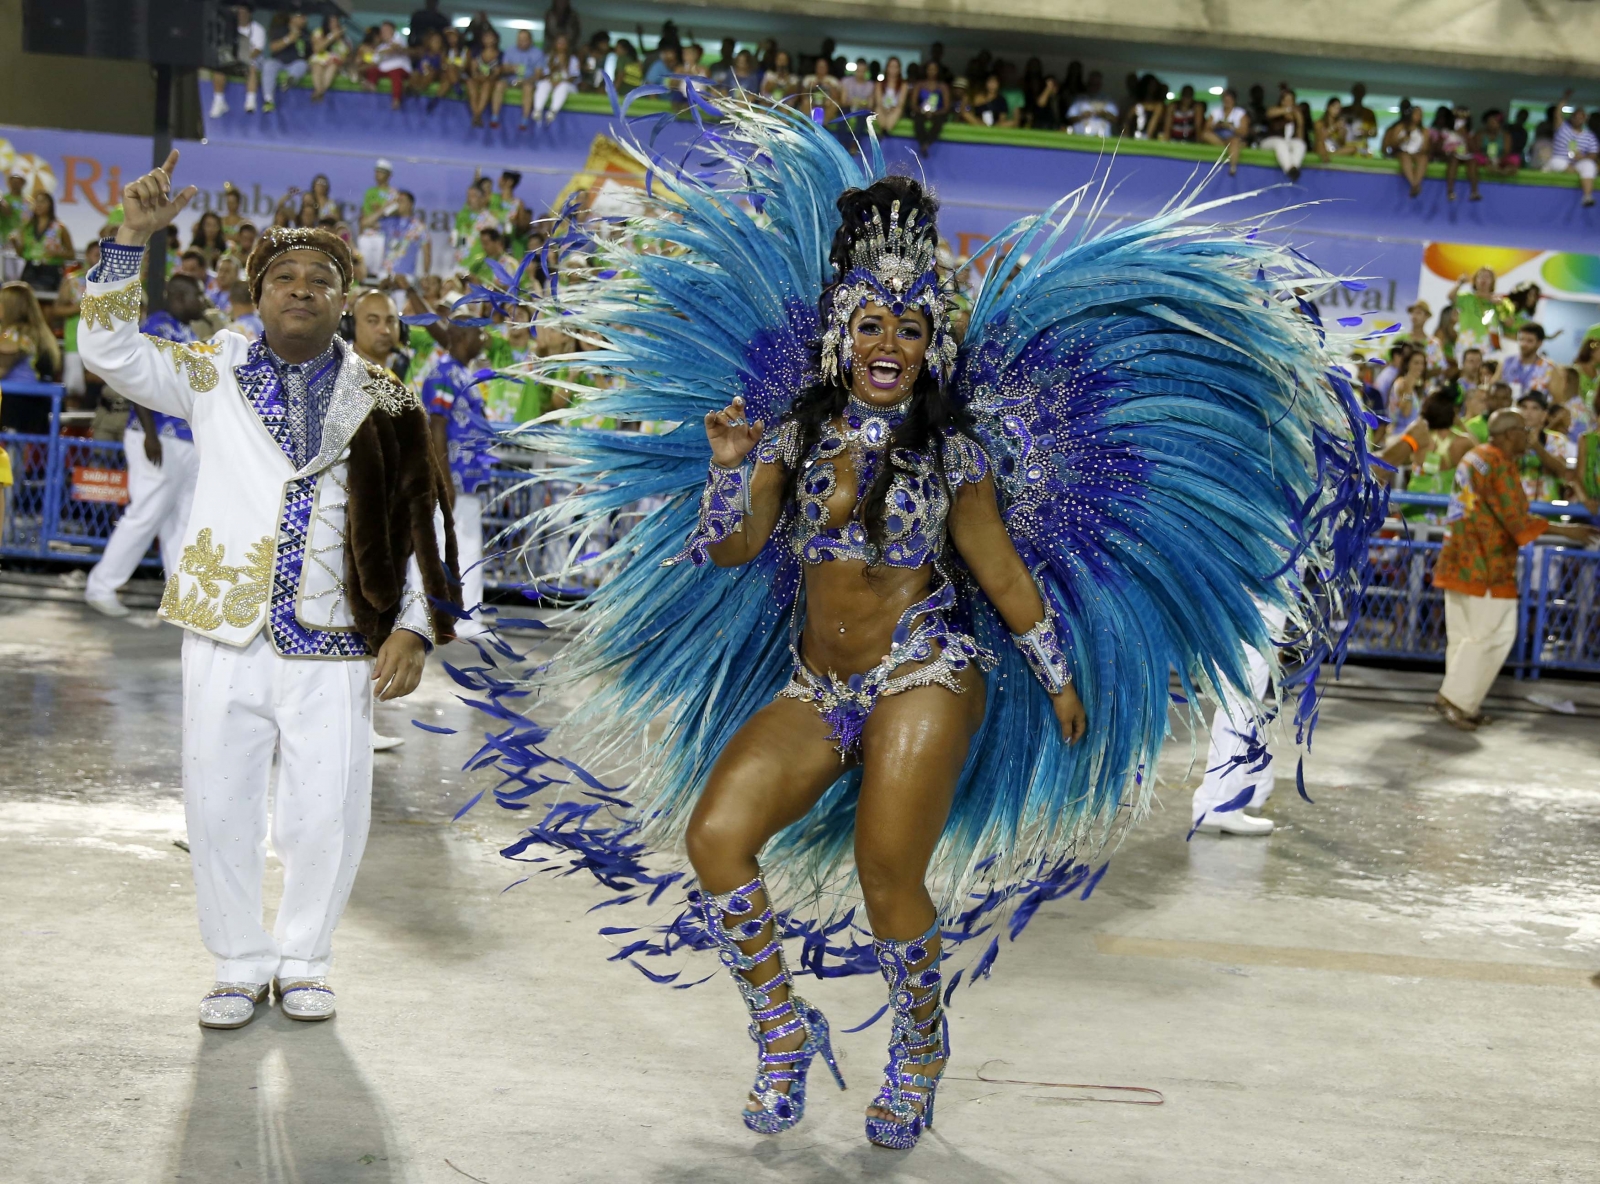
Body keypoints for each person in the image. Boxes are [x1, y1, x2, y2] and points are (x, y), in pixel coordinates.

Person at [476, 101, 1378, 1151]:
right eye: (872, 324)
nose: (890, 344)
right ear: (839, 335)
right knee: (716, 840)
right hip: (817, 685)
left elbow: (1000, 574)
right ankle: (782, 1028)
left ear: (932, 341)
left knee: (884, 871)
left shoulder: (958, 456)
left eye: (910, 326)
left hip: (927, 671)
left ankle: (918, 1044)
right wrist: (727, 472)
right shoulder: (783, 439)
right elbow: (727, 547)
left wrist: (1056, 676)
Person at [78, 151, 461, 1029]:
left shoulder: (388, 399)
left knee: (326, 810)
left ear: (341, 300)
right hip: (222, 626)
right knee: (218, 802)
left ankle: (305, 958)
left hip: (335, 636)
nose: (300, 289)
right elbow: (107, 348)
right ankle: (239, 961)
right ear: (256, 296)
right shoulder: (209, 372)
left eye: (319, 279)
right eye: (282, 277)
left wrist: (414, 625)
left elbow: (417, 521)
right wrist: (131, 237)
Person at [1432, 410, 1595, 729]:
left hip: (1457, 557)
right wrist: (1566, 530)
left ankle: (1464, 704)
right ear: (1509, 434)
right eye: (1523, 430)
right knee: (1495, 634)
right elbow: (1517, 520)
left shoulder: (1474, 455)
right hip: (1485, 565)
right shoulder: (1499, 464)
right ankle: (1453, 700)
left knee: (1465, 637)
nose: (1528, 435)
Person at [83, 273, 205, 617]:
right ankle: (101, 586)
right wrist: (150, 432)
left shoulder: (189, 333)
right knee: (146, 514)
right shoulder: (156, 326)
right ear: (179, 296)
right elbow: (136, 380)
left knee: (181, 520)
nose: (202, 302)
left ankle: (181, 600)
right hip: (156, 436)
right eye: (197, 294)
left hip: (184, 439)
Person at [421, 319, 496, 639]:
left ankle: (464, 615)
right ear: (463, 336)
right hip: (454, 476)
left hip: (469, 478)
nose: (484, 338)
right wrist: (445, 480)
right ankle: (455, 617)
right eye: (479, 333)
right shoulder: (444, 373)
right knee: (455, 545)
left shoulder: (465, 373)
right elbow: (436, 424)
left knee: (466, 546)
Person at [9, 191, 74, 292]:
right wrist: (14, 243)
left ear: (50, 205)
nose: (39, 205)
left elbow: (71, 254)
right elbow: (21, 254)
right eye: (36, 202)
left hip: (50, 270)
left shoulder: (59, 227)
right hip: (30, 269)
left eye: (43, 202)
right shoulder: (27, 227)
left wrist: (57, 253)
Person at [209, 5, 266, 118]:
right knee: (219, 68)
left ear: (249, 14)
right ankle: (219, 101)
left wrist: (243, 58)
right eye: (238, 12)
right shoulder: (228, 28)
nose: (240, 14)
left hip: (253, 59)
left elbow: (257, 50)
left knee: (251, 67)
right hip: (233, 60)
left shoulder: (258, 29)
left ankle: (250, 101)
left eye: (242, 12)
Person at [0, 280, 61, 382]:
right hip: (33, 395)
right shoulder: (37, 334)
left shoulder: (15, 336)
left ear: (10, 307)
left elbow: (1, 369)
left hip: (16, 394)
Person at [364, 189, 430, 280]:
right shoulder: (389, 222)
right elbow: (365, 224)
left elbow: (427, 252)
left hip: (406, 276)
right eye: (397, 201)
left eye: (401, 201)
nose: (398, 204)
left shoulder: (419, 226)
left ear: (410, 204)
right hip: (385, 274)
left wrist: (425, 275)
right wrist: (384, 208)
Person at [1544, 102, 1598, 207]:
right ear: (1572, 118)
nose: (1578, 119)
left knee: (1589, 165)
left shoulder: (1590, 136)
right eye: (1576, 117)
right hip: (1561, 162)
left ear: (1585, 119)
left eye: (1581, 117)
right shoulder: (1562, 129)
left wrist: (1583, 157)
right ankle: (1573, 174)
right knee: (1556, 161)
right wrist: (1565, 98)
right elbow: (1557, 114)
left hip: (1578, 163)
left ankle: (1587, 196)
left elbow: (1593, 154)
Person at [261, 12, 310, 113]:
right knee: (268, 65)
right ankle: (268, 100)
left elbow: (309, 53)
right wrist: (289, 39)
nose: (304, 19)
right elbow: (273, 47)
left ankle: (289, 81)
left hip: (295, 63)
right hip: (278, 61)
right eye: (301, 17)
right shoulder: (281, 29)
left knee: (302, 65)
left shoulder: (306, 34)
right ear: (293, 18)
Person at [1450, 267, 1501, 357]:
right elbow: (1451, 296)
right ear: (1475, 281)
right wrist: (1460, 283)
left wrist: (1500, 305)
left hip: (1488, 346)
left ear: (1493, 282)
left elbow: (1509, 323)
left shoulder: (1497, 302)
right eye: (1480, 276)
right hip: (1466, 344)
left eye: (1487, 277)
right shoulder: (1466, 297)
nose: (1483, 279)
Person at [1262, 84, 1308, 180]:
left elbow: (1299, 138)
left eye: (1291, 100)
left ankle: (1293, 168)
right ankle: (1289, 168)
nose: (1288, 102)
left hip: (1288, 143)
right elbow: (1269, 113)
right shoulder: (1275, 110)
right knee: (1280, 142)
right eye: (1286, 100)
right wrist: (1287, 110)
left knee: (1300, 144)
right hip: (1269, 142)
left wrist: (1300, 123)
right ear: (1282, 101)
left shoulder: (1295, 116)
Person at [532, 34, 579, 125]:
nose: (561, 46)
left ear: (567, 45)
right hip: (552, 82)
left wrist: (562, 80)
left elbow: (574, 76)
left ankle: (553, 111)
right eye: (559, 43)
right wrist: (552, 75)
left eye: (563, 43)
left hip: (567, 85)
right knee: (543, 84)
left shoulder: (573, 59)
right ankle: (537, 110)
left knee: (563, 87)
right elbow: (544, 74)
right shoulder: (549, 58)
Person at [466, 28, 509, 128]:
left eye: (491, 37)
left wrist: (488, 77)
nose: (488, 39)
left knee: (487, 85)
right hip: (477, 79)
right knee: (470, 83)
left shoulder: (500, 55)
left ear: (495, 39)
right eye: (486, 37)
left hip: (490, 80)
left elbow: (497, 73)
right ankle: (477, 115)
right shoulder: (476, 52)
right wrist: (478, 76)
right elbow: (473, 70)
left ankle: (477, 114)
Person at [503, 28, 545, 129]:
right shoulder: (510, 50)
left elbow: (538, 74)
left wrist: (524, 81)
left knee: (528, 88)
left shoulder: (537, 53)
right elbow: (503, 69)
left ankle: (524, 119)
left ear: (530, 40)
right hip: (511, 80)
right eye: (519, 39)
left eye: (524, 39)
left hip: (528, 81)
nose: (521, 42)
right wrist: (511, 68)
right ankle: (494, 117)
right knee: (499, 85)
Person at [1385, 105, 1430, 198]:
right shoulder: (1400, 127)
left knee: (1424, 159)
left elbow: (1425, 148)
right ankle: (1414, 183)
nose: (1419, 116)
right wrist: (1402, 140)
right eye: (1416, 114)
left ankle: (1416, 183)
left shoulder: (1424, 131)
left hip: (1417, 153)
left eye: (1420, 114)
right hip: (1402, 152)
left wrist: (1421, 150)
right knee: (1405, 158)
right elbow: (1392, 144)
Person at [366, 21, 412, 110]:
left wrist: (377, 52)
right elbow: (375, 61)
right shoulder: (381, 47)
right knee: (373, 70)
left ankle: (396, 100)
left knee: (396, 74)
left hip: (400, 69)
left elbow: (394, 48)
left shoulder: (399, 38)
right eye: (382, 30)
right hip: (384, 70)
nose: (384, 32)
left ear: (393, 31)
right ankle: (372, 85)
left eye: (386, 30)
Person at [909, 61, 952, 155]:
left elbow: (946, 106)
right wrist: (922, 111)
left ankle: (927, 143)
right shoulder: (919, 85)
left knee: (939, 122)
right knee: (918, 121)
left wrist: (935, 113)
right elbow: (913, 103)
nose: (932, 71)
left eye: (934, 69)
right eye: (929, 69)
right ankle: (922, 143)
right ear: (926, 70)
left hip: (938, 113)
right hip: (921, 112)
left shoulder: (943, 86)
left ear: (938, 71)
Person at [1202, 88, 1249, 174]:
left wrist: (1231, 127)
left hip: (1233, 138)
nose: (1227, 102)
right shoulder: (1215, 112)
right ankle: (1228, 148)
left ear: (1233, 100)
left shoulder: (1240, 113)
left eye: (1229, 100)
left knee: (1234, 141)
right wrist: (1217, 125)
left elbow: (1244, 132)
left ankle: (1233, 167)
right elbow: (1206, 129)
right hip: (1218, 138)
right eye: (1225, 100)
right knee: (1206, 135)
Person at [1501, 322, 1554, 397]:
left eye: (1529, 341)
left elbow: (1555, 398)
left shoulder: (1548, 368)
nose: (1523, 344)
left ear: (1539, 343)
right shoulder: (1507, 362)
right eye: (1521, 339)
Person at [1066, 70, 1117, 137]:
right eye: (1092, 84)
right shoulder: (1079, 99)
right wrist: (1082, 116)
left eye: (1096, 84)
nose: (1094, 87)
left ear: (1100, 85)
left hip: (1103, 140)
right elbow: (1070, 118)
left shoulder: (1108, 100)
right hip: (1081, 138)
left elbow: (1115, 119)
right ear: (1088, 83)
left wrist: (1104, 114)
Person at [1314, 98, 1358, 163]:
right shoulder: (1319, 123)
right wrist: (1334, 127)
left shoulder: (1340, 124)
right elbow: (1321, 137)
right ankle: (1325, 155)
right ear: (1328, 107)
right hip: (1322, 147)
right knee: (1320, 143)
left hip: (1335, 149)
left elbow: (1342, 143)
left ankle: (1329, 156)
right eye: (1334, 107)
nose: (1336, 111)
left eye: (1338, 109)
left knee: (1353, 148)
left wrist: (1342, 133)